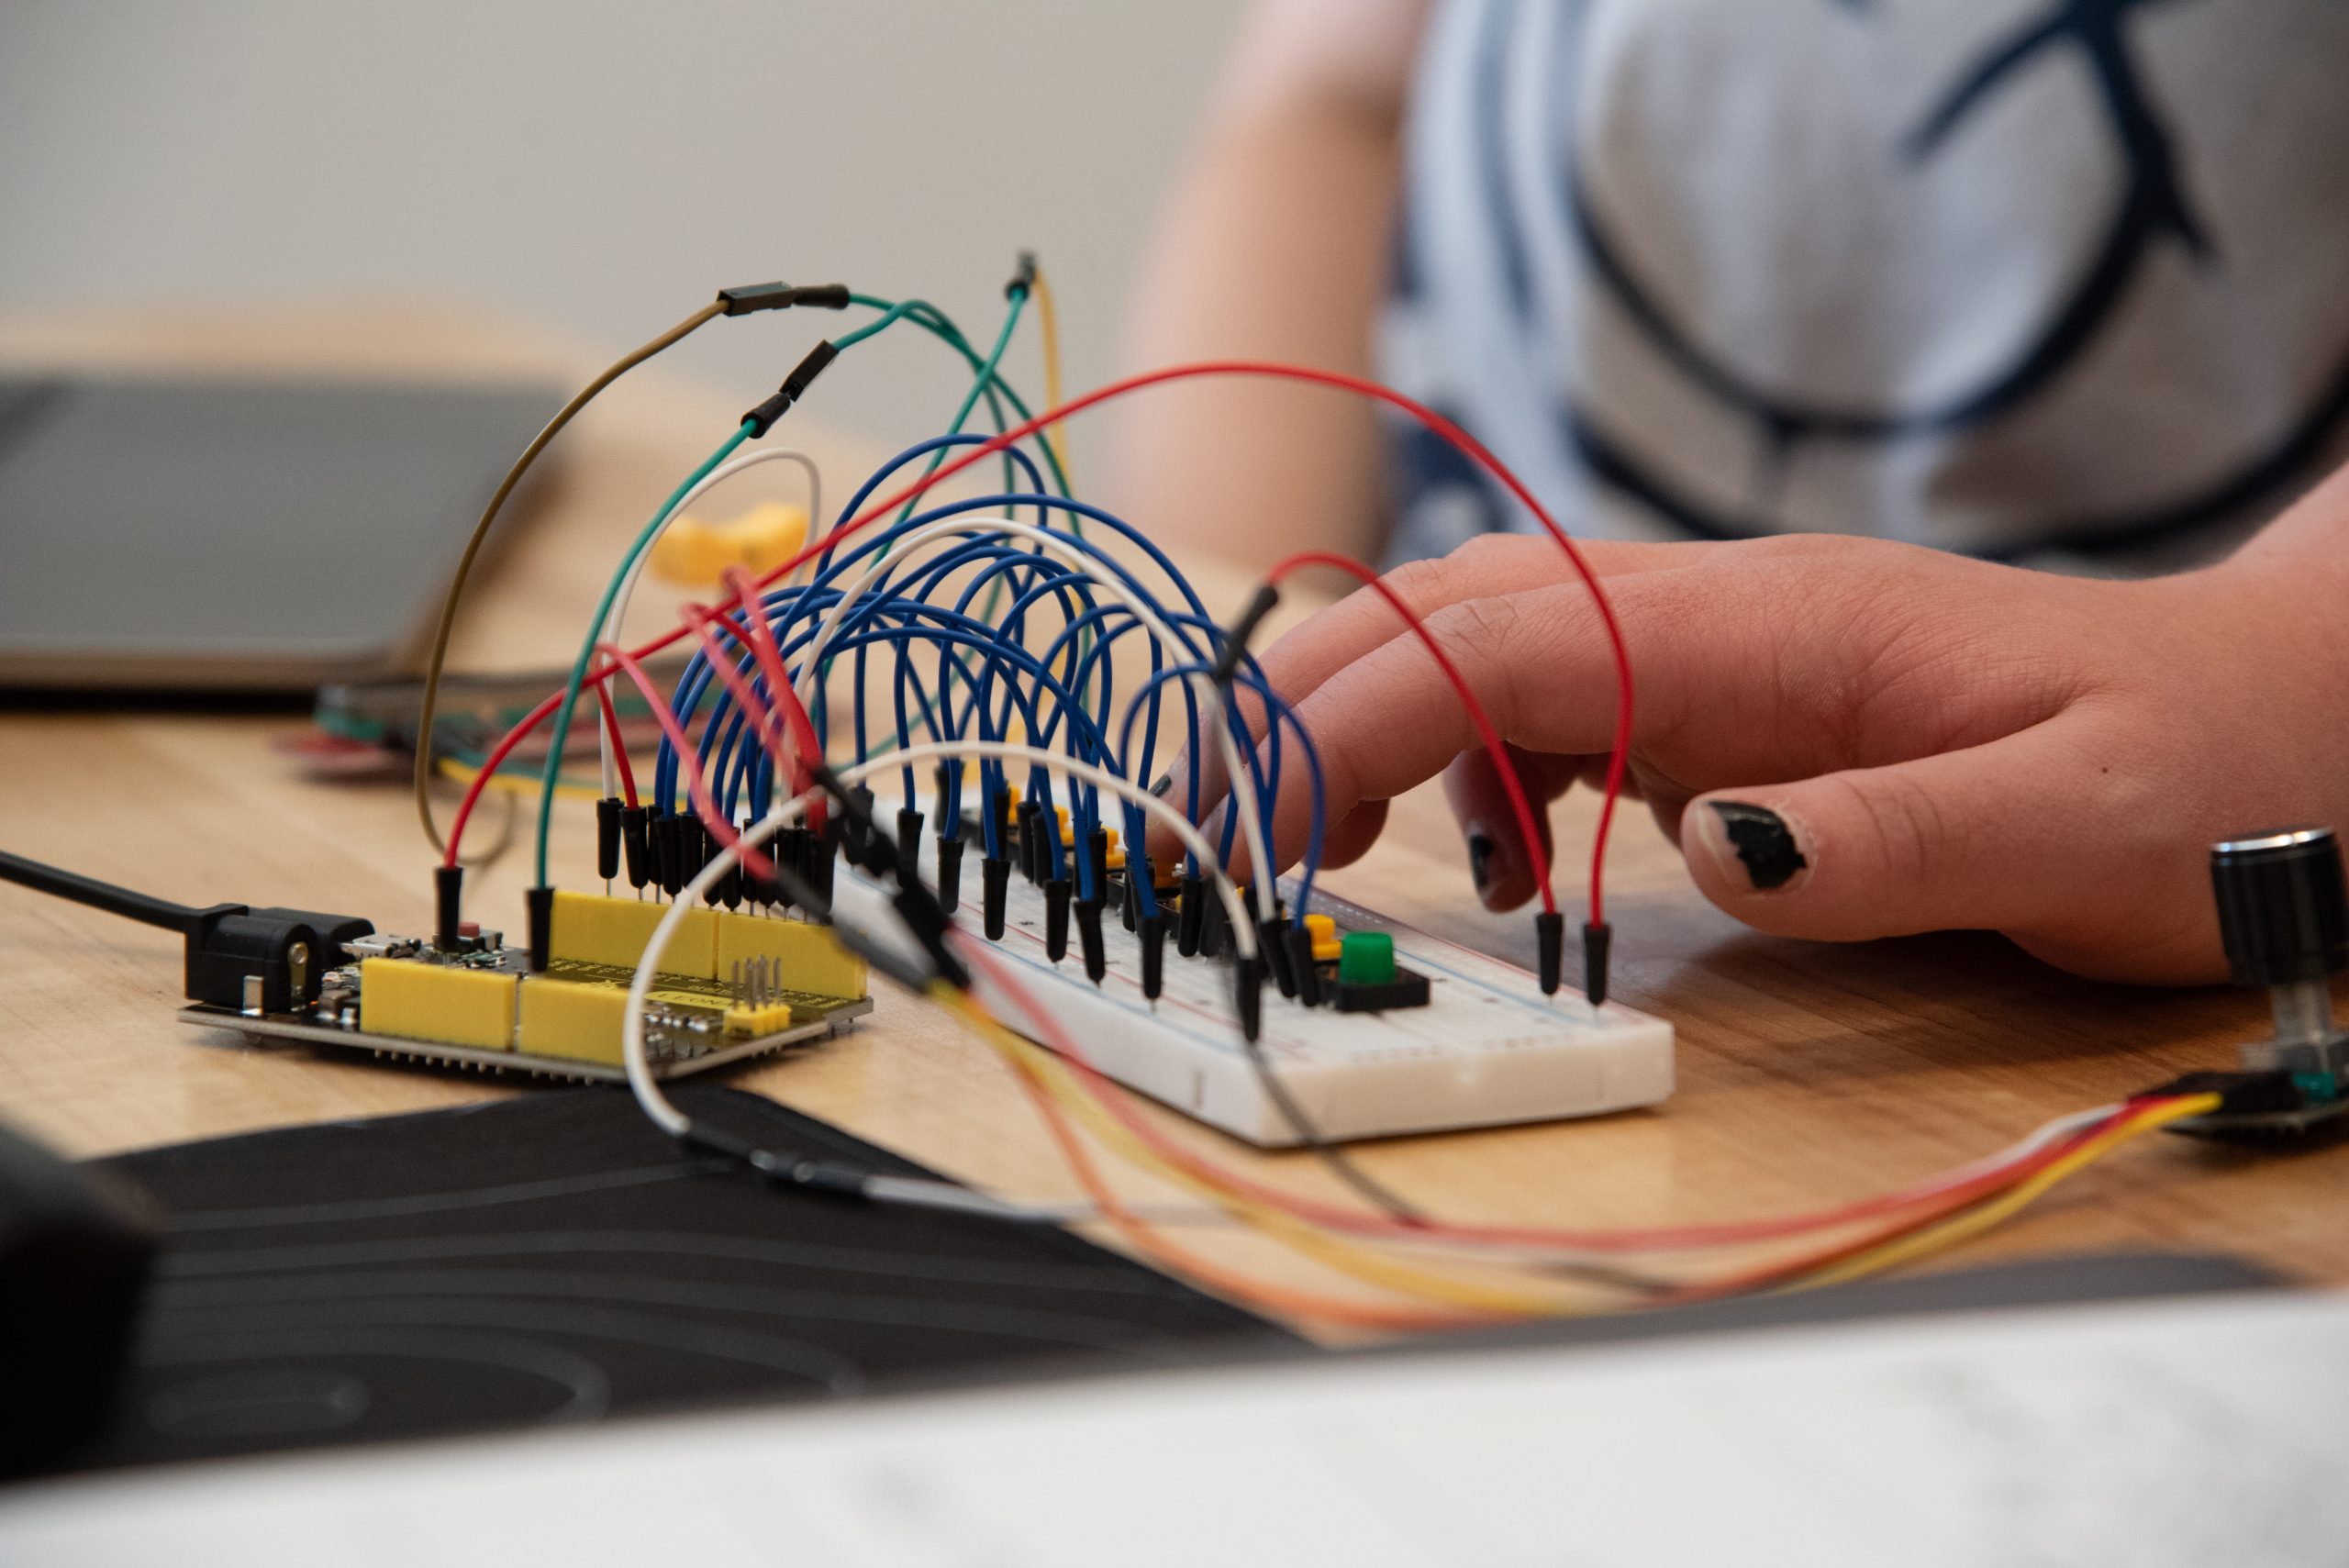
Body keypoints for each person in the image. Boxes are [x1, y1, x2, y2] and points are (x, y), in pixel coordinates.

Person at [1109, 0, 2349, 984]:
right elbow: (1337, 106)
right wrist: (1248, 659)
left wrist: (2296, 669)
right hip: (1496, 855)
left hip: (2191, 888)